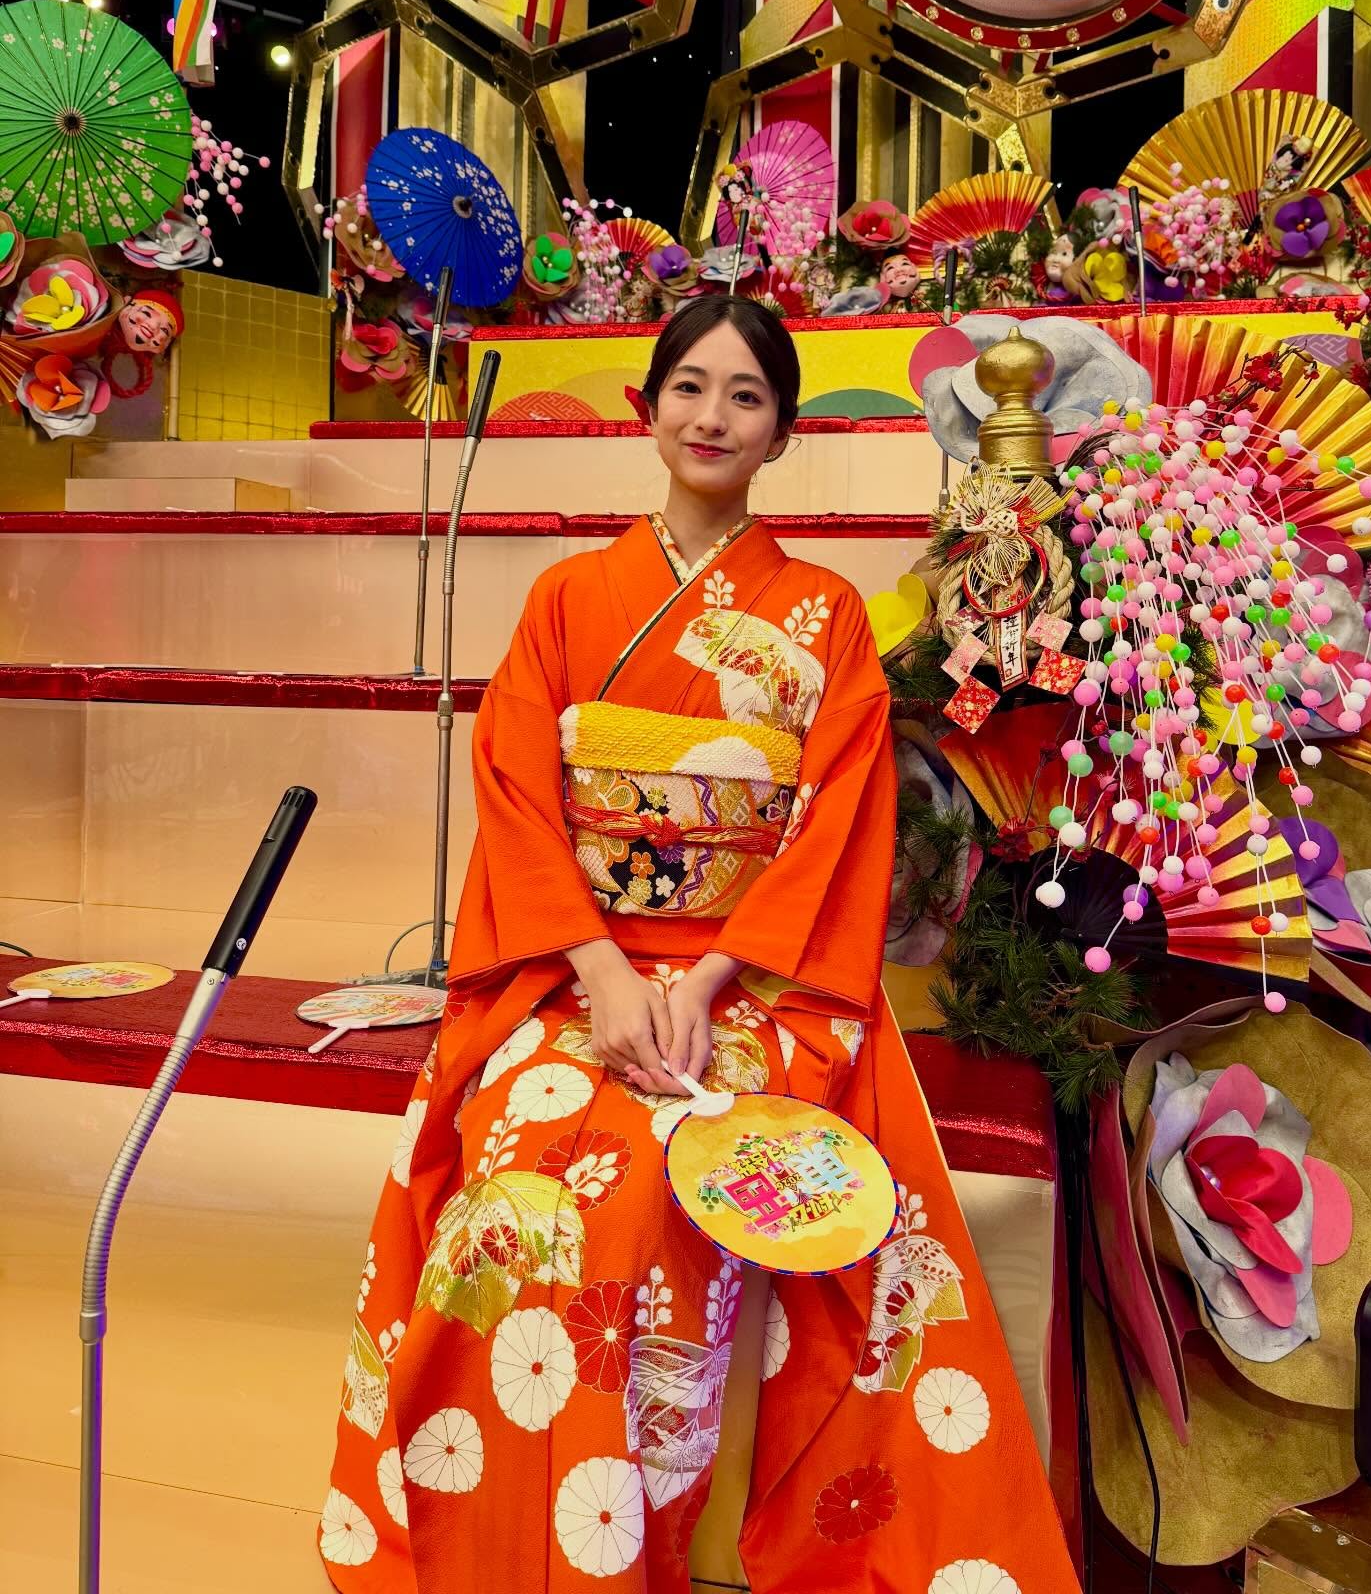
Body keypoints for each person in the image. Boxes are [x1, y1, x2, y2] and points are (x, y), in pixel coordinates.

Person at [319, 294, 1079, 1593]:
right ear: (648, 408)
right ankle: (486, 1537)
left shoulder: (824, 615)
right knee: (512, 1176)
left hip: (759, 976)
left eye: (745, 396)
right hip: (574, 968)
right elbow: (517, 794)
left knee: (656, 1181)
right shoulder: (570, 598)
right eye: (689, 387)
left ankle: (628, 1535)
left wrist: (719, 972)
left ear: (782, 431)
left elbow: (837, 816)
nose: (712, 416)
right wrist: (601, 970)